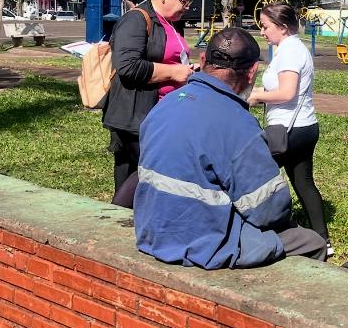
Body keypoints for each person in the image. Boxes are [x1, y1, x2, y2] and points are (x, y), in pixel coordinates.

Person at [133, 28, 327, 268]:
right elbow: (270, 211)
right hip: (202, 244)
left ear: (202, 59)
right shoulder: (238, 124)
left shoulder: (167, 103)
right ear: (252, 71)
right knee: (312, 242)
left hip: (151, 231)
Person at [103, 0, 196, 204]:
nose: (187, 7)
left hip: (163, 115)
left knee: (147, 175)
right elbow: (128, 66)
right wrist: (174, 72)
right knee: (145, 174)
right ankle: (116, 217)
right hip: (138, 118)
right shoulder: (136, 19)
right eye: (184, 1)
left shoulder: (170, 22)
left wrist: (187, 70)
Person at [247, 3, 330, 256]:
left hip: (287, 132)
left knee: (257, 177)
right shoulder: (293, 48)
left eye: (265, 26)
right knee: (303, 182)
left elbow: (286, 92)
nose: (262, 32)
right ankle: (322, 239)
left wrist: (256, 96)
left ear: (283, 27)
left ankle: (259, 227)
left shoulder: (289, 52)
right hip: (304, 127)